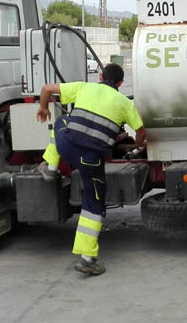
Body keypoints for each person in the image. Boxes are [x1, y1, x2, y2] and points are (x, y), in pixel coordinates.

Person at [36, 63, 146, 277]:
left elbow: (47, 89)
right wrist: (138, 146)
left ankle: (50, 166)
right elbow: (140, 131)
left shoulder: (85, 87)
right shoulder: (124, 103)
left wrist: (43, 108)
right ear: (121, 83)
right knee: (94, 205)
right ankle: (87, 259)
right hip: (91, 160)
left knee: (61, 121)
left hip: (66, 147)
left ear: (101, 77)